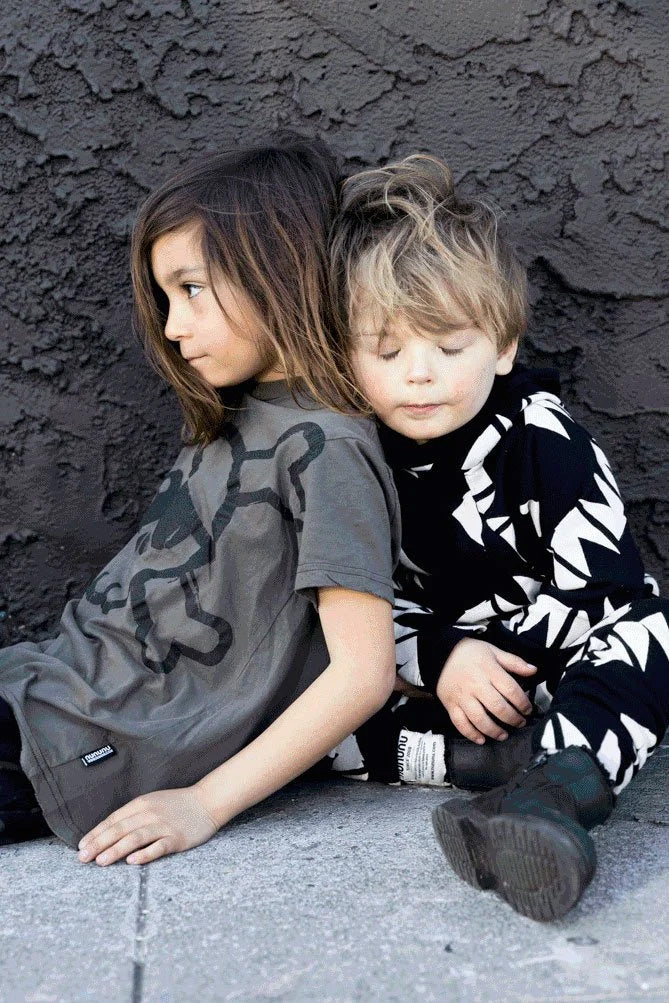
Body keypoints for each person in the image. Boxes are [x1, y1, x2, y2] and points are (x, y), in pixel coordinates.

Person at [0, 137, 402, 865]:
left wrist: (202, 803)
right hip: (37, 688)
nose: (172, 326)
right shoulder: (239, 412)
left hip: (79, 752)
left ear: (280, 268)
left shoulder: (328, 448)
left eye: (190, 289)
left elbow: (361, 674)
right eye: (166, 298)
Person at [327, 153, 669, 920]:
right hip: (433, 687)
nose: (419, 374)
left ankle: (553, 795)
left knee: (652, 632)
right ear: (347, 359)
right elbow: (361, 599)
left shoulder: (539, 436)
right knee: (309, 697)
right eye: (387, 350)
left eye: (448, 347)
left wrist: (496, 664)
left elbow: (601, 585)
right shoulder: (352, 458)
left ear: (502, 345)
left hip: (555, 665)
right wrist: (444, 659)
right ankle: (491, 766)